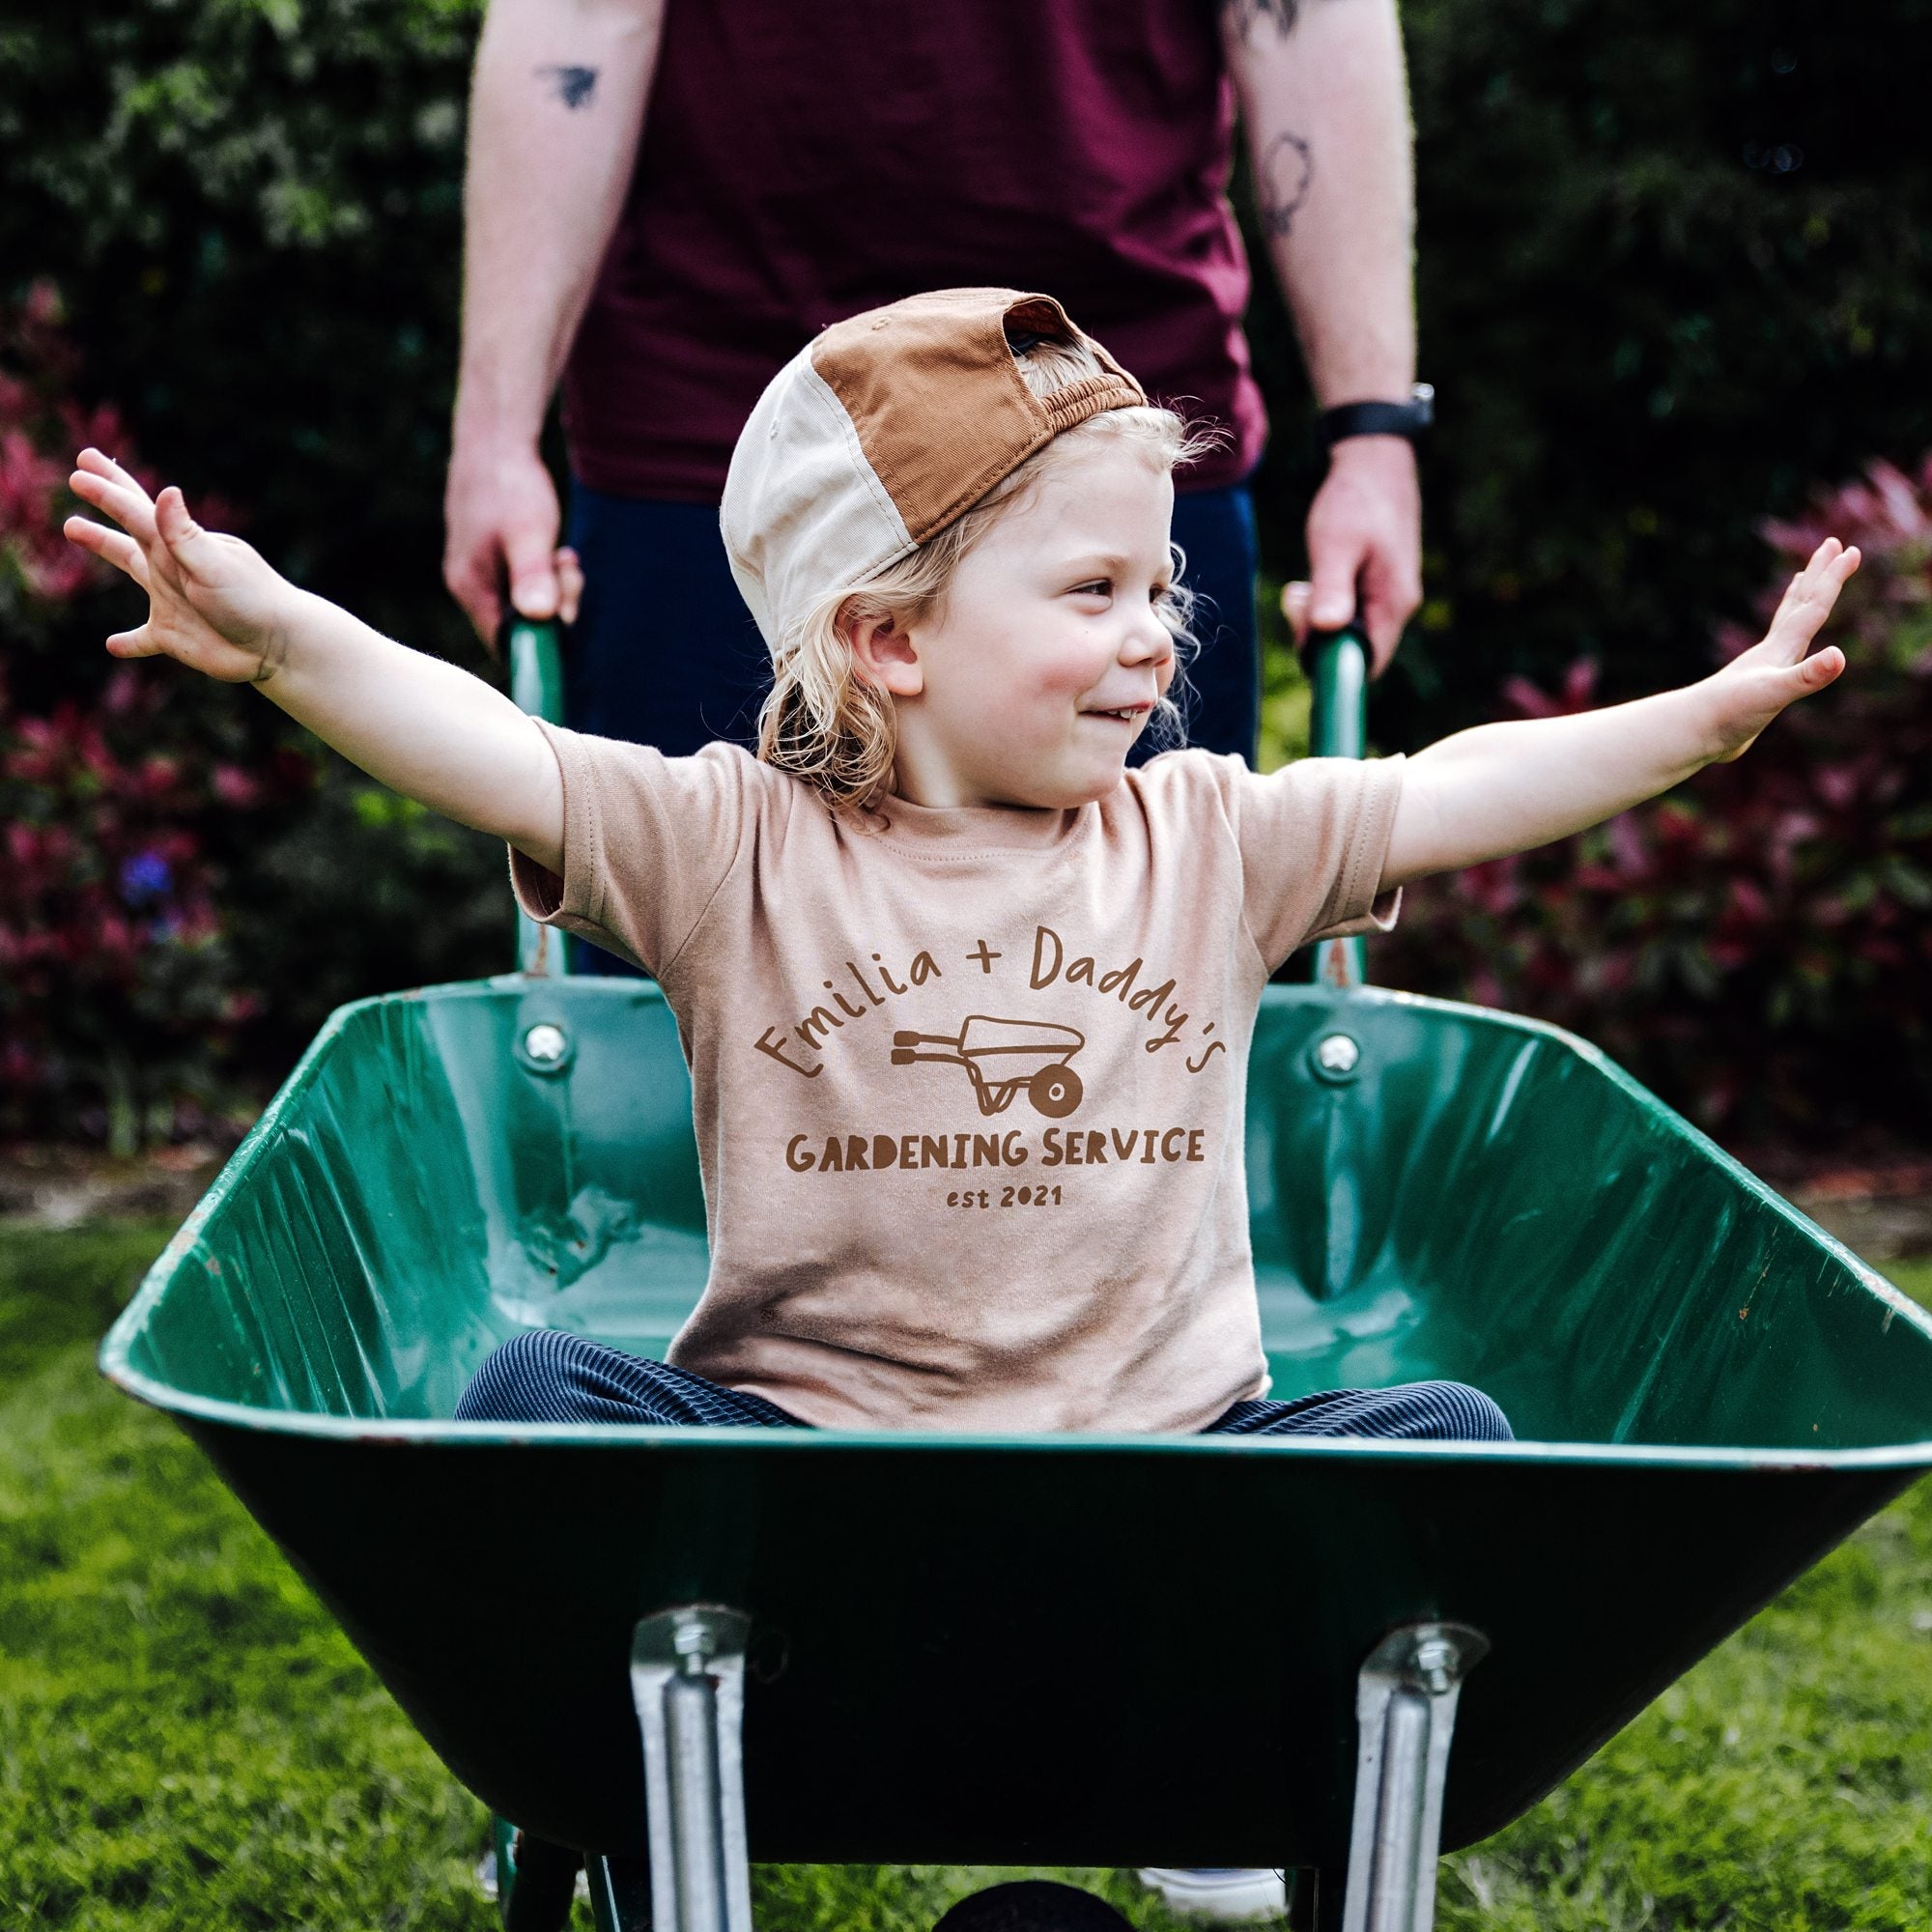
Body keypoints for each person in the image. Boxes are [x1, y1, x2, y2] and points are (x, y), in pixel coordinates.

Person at [67, 288, 1853, 1912]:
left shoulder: (1212, 840)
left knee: (1445, 1445)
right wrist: (286, 635)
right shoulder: (730, 849)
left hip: (1177, 1496)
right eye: (1092, 593)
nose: (1158, 635)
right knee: (538, 1398)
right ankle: (593, 1770)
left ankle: (1255, 1783)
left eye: (1160, 588)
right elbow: (500, 758)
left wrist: (1698, 720)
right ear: (892, 639)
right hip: (807, 1512)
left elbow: (1453, 785)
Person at [442, 0, 1428, 778]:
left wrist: (1372, 432)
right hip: (729, 445)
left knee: (1134, 981)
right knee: (698, 972)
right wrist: (493, 433)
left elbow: (1303, 16)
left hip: (1122, 438)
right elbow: (577, 18)